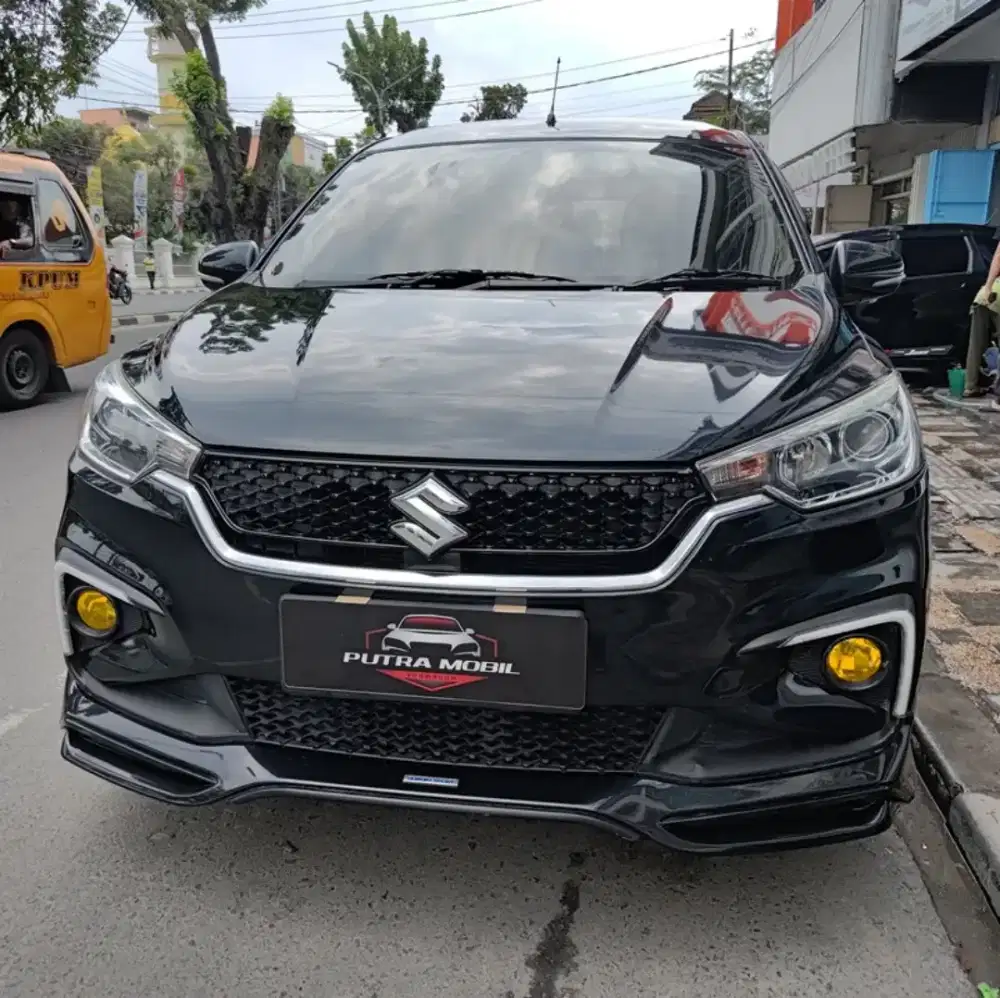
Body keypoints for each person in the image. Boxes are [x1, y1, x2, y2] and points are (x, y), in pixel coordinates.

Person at [965, 237, 1000, 397]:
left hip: (984, 296)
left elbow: (998, 256)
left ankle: (970, 386)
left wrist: (987, 286)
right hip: (996, 296)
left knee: (976, 344)